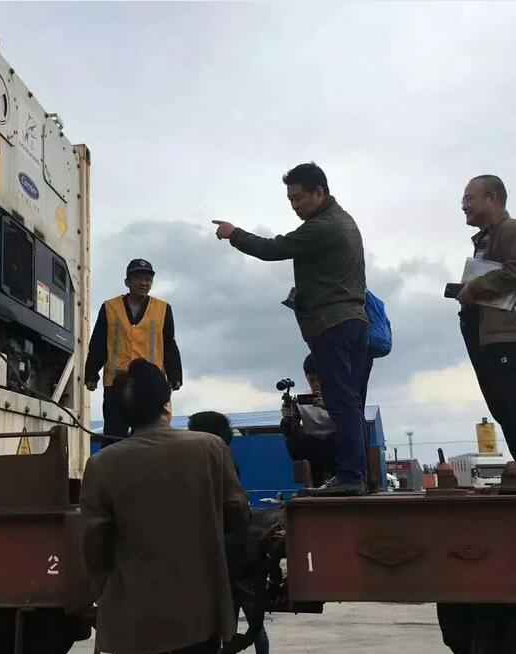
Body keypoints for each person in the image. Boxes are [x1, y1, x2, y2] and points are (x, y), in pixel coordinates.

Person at [81, 360, 248, 654]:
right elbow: (237, 515)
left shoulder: (103, 465)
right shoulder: (210, 449)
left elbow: (95, 544)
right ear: (167, 404)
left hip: (134, 615)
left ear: (122, 411)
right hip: (200, 607)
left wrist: (102, 590)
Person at [213, 162, 368, 495]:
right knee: (347, 401)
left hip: (333, 324)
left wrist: (233, 234)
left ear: (319, 192)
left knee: (341, 402)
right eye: (290, 200)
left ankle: (350, 476)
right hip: (348, 321)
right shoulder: (340, 221)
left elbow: (273, 249)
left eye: (298, 198)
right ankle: (351, 473)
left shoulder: (323, 227)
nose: (294, 206)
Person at [187, 411, 270, 654]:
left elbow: (233, 507)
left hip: (230, 553)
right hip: (237, 552)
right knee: (247, 620)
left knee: (236, 621)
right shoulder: (221, 456)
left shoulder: (214, 458)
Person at [84, 259, 182, 441]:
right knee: (114, 436)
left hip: (150, 383)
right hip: (117, 382)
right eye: (138, 278)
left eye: (148, 279)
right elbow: (98, 343)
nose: (144, 283)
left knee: (152, 436)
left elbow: (169, 344)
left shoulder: (163, 309)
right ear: (127, 282)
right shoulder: (109, 307)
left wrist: (175, 376)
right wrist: (91, 374)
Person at [457, 175, 516, 458]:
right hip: (488, 339)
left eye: (469, 198)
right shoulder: (486, 239)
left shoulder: (510, 230)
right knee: (503, 408)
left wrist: (474, 288)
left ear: (492, 198)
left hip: (506, 339)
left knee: (510, 406)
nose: (463, 205)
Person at [280, 354, 337, 488]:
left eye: (320, 380)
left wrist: (330, 407)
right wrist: (288, 417)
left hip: (337, 448)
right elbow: (289, 431)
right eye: (312, 380)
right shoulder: (301, 400)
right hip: (313, 450)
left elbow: (352, 423)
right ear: (306, 378)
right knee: (292, 437)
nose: (316, 384)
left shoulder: (340, 396)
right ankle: (313, 480)